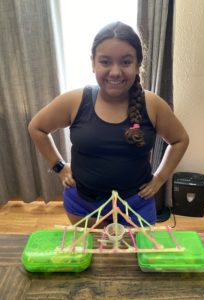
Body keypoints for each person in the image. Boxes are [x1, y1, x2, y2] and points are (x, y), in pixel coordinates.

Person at [28, 21, 189, 228]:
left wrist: (159, 178)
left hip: (136, 207)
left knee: (137, 260)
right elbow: (36, 127)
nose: (115, 72)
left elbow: (180, 140)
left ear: (138, 64)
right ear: (93, 63)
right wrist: (59, 167)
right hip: (83, 206)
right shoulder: (75, 101)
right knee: (93, 259)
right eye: (105, 62)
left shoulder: (153, 105)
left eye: (125, 62)